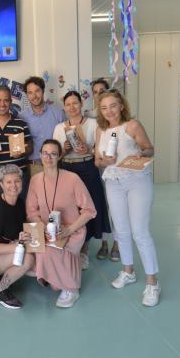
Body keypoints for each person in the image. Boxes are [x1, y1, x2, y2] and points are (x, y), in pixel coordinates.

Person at [94, 89, 161, 307]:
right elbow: (97, 161)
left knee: (140, 231)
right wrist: (104, 161)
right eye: (104, 108)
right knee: (120, 230)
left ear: (122, 105)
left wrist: (142, 154)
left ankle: (152, 283)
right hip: (113, 182)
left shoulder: (132, 125)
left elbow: (149, 149)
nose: (109, 111)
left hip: (137, 180)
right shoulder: (100, 131)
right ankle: (128, 271)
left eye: (113, 105)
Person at [26, 140, 96, 308]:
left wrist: (69, 229)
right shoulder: (35, 180)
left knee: (54, 251)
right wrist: (42, 228)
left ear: (59, 157)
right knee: (37, 251)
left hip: (72, 230)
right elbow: (31, 212)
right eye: (45, 153)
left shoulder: (72, 179)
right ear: (40, 155)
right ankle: (55, 277)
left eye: (53, 154)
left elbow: (89, 211)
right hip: (45, 230)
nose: (48, 157)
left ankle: (71, 287)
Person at [53, 91, 116, 268]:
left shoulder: (93, 124)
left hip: (88, 167)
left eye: (75, 103)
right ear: (64, 107)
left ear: (81, 104)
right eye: (68, 104)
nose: (72, 107)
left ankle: (85, 249)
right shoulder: (59, 128)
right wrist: (64, 149)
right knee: (71, 210)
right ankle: (76, 248)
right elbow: (55, 155)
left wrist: (88, 149)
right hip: (67, 169)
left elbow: (101, 148)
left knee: (89, 207)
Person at [0, 164, 35, 309]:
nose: (13, 185)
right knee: (28, 259)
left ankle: (5, 275)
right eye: (8, 182)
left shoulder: (18, 202)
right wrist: (19, 245)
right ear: (1, 184)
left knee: (35, 258)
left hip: (7, 250)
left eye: (17, 181)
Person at [19, 76, 66, 176]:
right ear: (27, 95)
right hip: (34, 167)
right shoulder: (21, 117)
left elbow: (66, 139)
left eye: (37, 91)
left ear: (43, 91)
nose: (34, 96)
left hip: (56, 165)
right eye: (30, 93)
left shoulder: (58, 113)